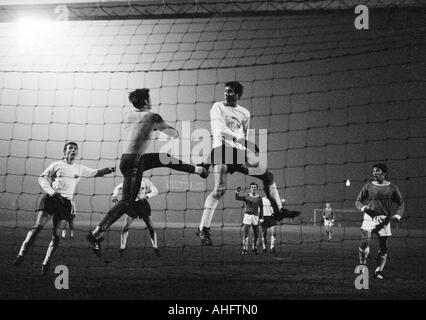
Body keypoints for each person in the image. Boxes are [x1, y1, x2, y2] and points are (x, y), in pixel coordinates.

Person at [86, 88, 208, 256]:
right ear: (145, 101)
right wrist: (160, 128)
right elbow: (174, 133)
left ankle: (198, 169)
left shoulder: (129, 115)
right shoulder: (152, 117)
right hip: (135, 162)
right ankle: (96, 233)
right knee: (126, 201)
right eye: (149, 99)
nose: (150, 101)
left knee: (164, 158)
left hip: (127, 160)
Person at [197, 81, 300, 246]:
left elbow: (244, 133)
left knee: (267, 175)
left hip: (238, 153)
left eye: (230, 92)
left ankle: (278, 211)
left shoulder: (245, 113)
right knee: (220, 190)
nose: (226, 94)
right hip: (222, 150)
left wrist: (247, 147)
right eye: (225, 91)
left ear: (238, 94)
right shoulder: (217, 107)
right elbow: (218, 129)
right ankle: (203, 229)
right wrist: (243, 142)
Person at [13, 142, 115, 275]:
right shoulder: (56, 165)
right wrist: (51, 191)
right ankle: (21, 255)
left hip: (65, 204)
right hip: (51, 199)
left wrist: (112, 169)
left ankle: (46, 263)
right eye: (70, 148)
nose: (73, 150)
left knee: (56, 236)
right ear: (64, 152)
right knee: (37, 228)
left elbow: (97, 172)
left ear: (77, 153)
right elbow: (42, 178)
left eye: (75, 149)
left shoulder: (79, 168)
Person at [355, 163, 404, 280]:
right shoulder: (368, 186)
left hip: (384, 219)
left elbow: (401, 203)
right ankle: (363, 266)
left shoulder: (392, 188)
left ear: (384, 173)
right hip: (369, 217)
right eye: (373, 171)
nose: (374, 173)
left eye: (377, 171)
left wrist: (398, 215)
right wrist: (364, 208)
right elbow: (358, 201)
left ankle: (378, 271)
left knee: (384, 247)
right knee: (365, 241)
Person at [112, 178, 160, 256]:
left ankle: (155, 247)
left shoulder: (145, 181)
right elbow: (118, 187)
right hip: (131, 205)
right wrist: (114, 195)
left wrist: (147, 196)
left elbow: (155, 191)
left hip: (143, 204)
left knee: (150, 226)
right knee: (125, 226)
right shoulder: (129, 180)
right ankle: (122, 248)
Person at [235, 183, 263, 255]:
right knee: (246, 232)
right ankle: (245, 249)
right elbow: (237, 198)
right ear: (250, 188)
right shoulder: (246, 196)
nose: (253, 188)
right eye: (252, 187)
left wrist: (261, 217)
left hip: (255, 217)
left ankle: (254, 248)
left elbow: (262, 208)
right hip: (248, 216)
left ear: (256, 188)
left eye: (254, 187)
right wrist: (237, 192)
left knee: (256, 233)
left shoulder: (259, 198)